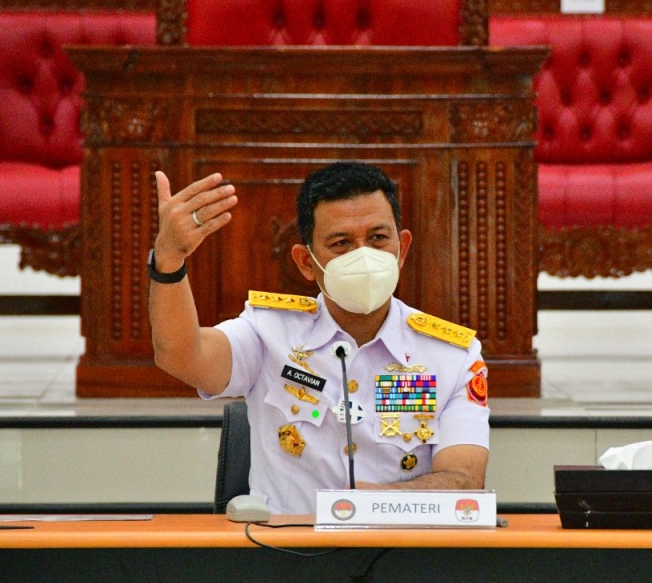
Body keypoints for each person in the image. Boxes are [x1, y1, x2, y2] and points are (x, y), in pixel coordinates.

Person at [149, 161, 490, 514]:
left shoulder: (452, 355)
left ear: (402, 249)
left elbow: (464, 480)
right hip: (285, 555)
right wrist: (169, 259)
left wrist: (370, 505)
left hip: (401, 556)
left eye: (377, 238)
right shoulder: (268, 331)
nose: (363, 255)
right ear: (306, 263)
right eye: (341, 243)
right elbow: (180, 355)